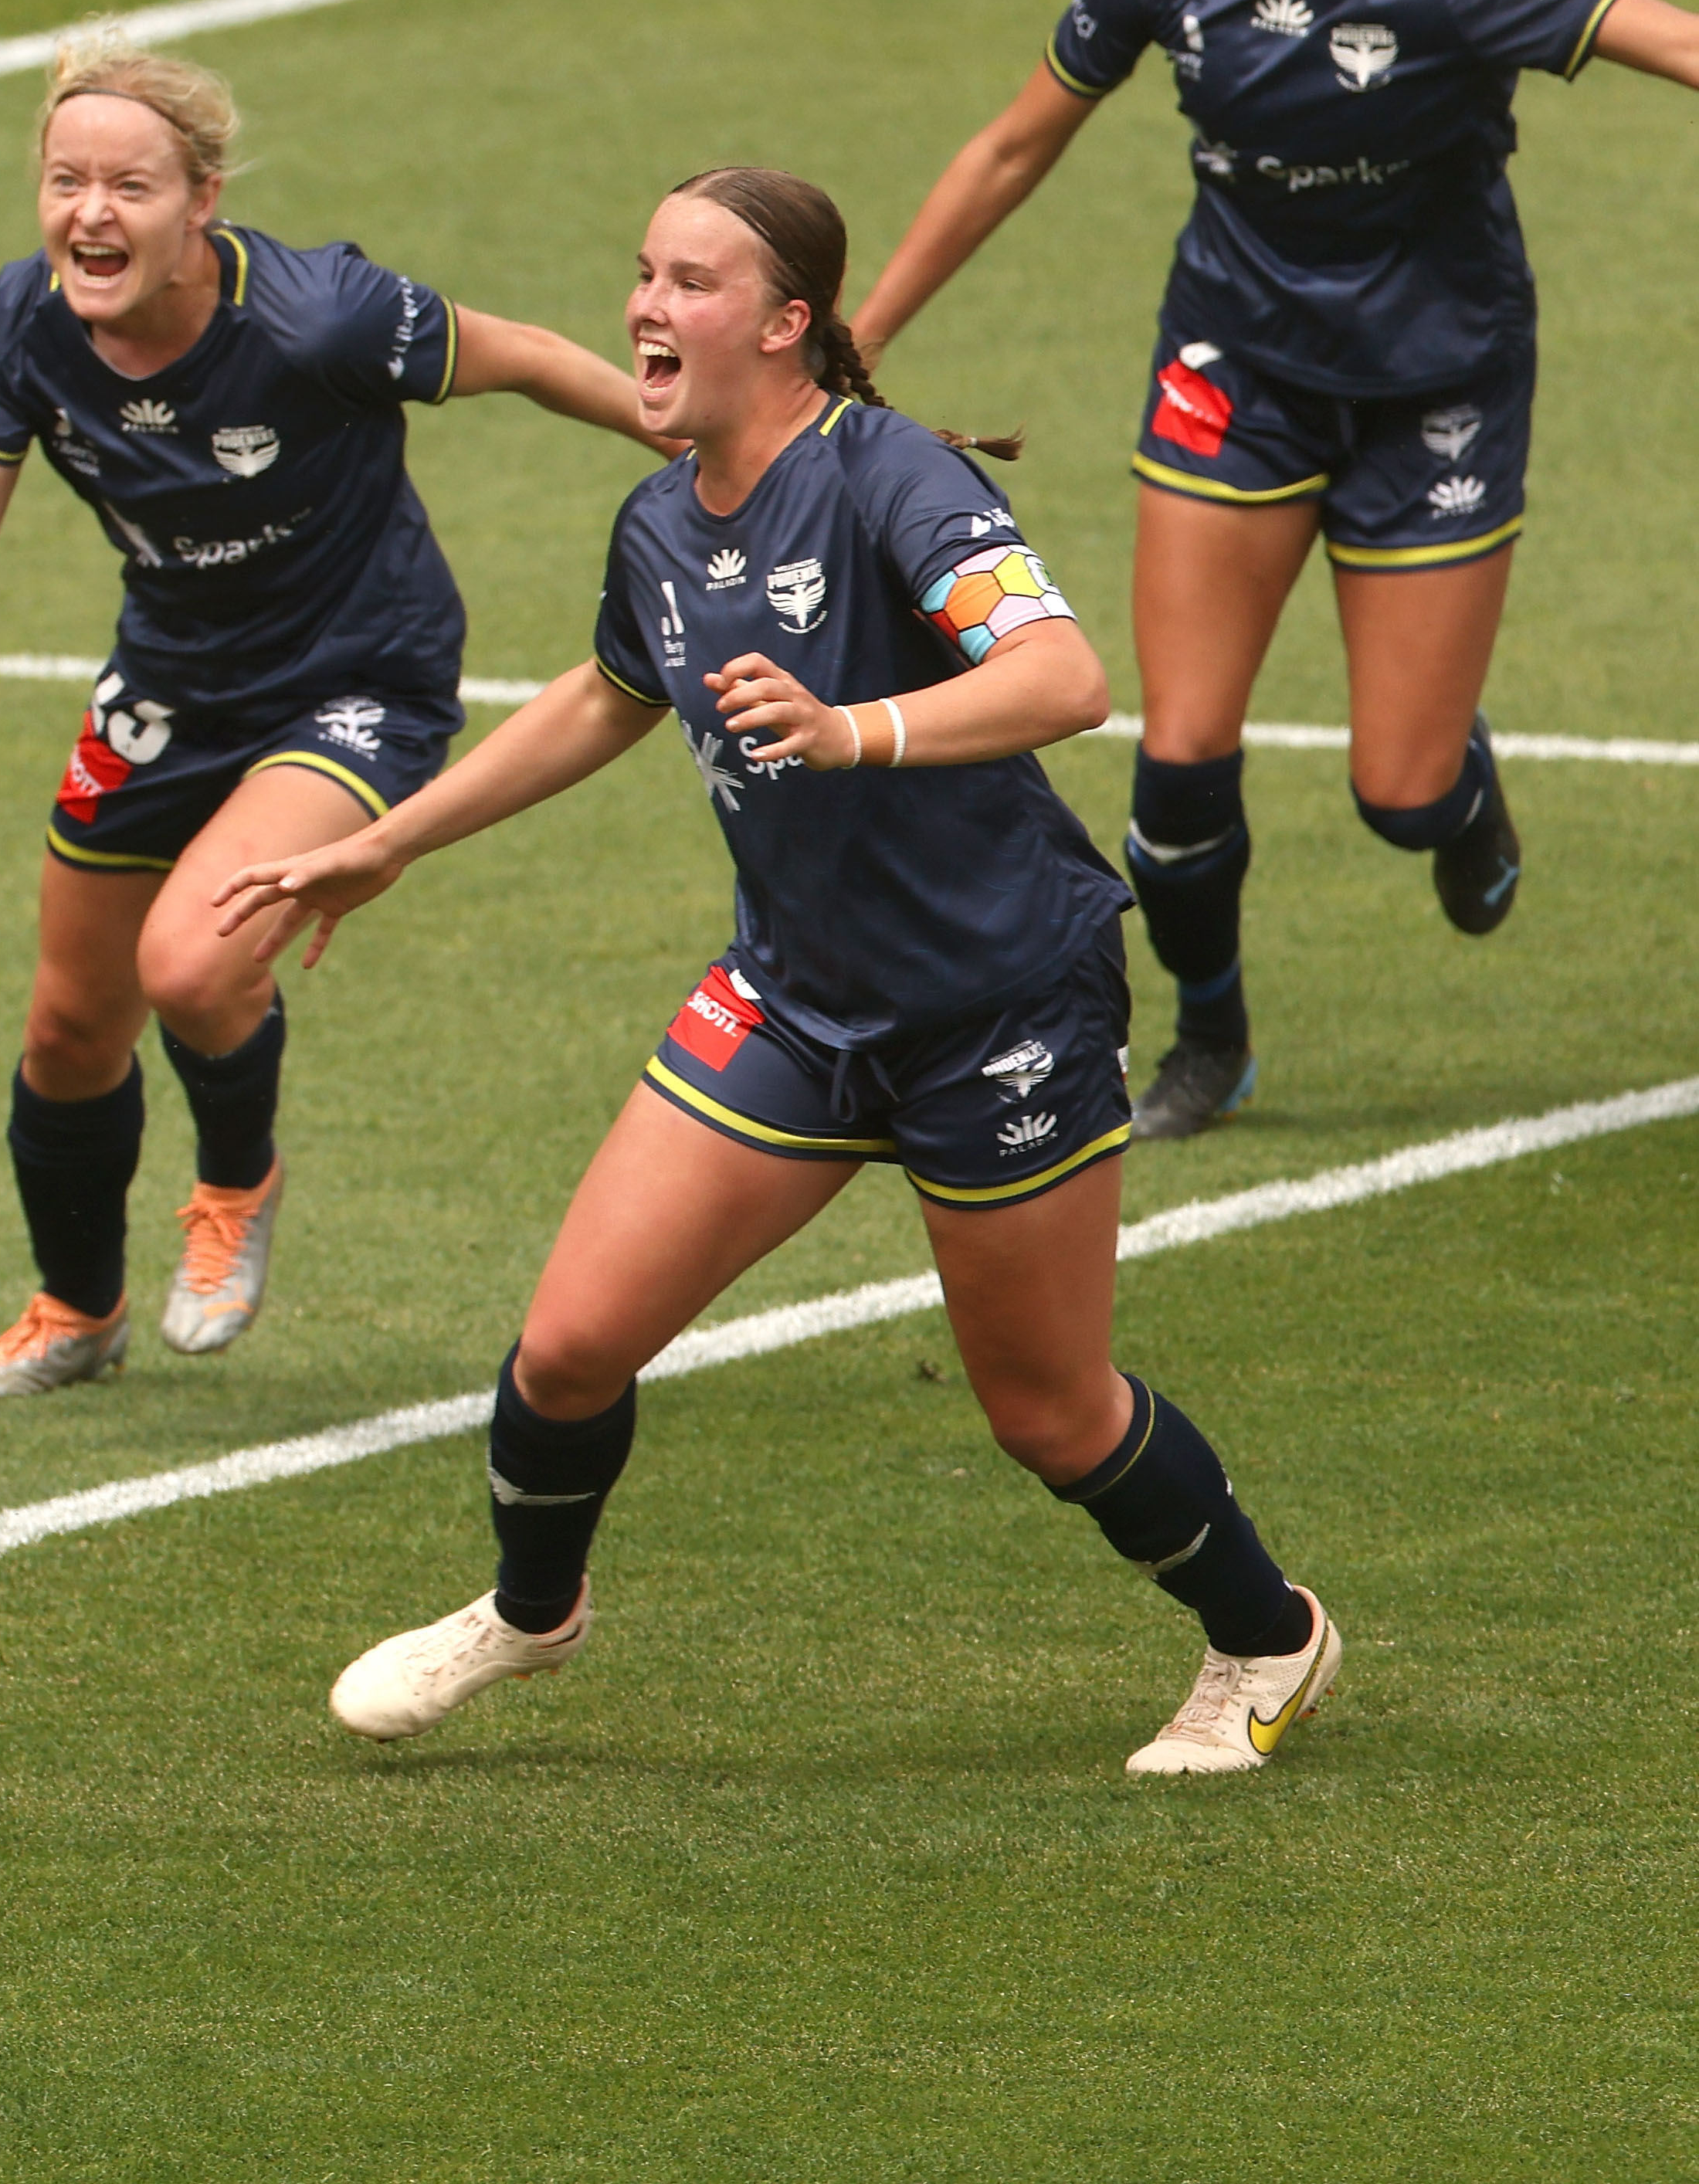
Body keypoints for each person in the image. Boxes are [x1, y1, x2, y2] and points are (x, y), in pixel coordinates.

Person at [220, 167, 1336, 1775]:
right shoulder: (663, 518)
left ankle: (1269, 1635)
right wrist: (399, 837)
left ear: (787, 323)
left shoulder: (894, 481)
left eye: (688, 283)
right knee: (568, 1351)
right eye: (643, 274)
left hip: (999, 1007)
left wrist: (850, 731)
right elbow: (608, 695)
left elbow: (1066, 678)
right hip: (797, 999)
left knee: (1049, 1413)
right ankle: (532, 1615)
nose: (645, 310)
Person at [851, 0, 1699, 1140]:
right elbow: (1008, 150)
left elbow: (1681, 43)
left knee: (1399, 789)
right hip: (1233, 372)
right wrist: (857, 338)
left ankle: (1459, 793)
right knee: (1179, 758)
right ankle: (1212, 1041)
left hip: (1439, 387)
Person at [0, 44, 653, 1392]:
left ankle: (237, 1183)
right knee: (69, 1026)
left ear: (202, 202)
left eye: (129, 184)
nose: (90, 214)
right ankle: (77, 1311)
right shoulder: (21, 324)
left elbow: (521, 359)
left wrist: (711, 442)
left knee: (189, 962)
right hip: (173, 683)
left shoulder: (322, 318)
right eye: (66, 182)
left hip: (359, 677)